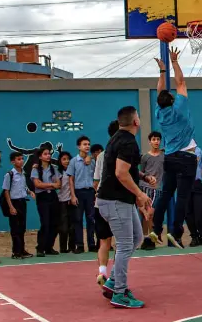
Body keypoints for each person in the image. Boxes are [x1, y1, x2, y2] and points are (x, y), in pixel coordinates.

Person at [97, 106, 154, 309]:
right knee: (123, 244)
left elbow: (126, 171)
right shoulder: (127, 142)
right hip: (114, 201)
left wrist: (138, 197)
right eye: (138, 115)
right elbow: (121, 173)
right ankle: (119, 292)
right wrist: (140, 194)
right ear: (135, 122)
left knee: (136, 238)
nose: (139, 118)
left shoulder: (118, 139)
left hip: (121, 200)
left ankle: (113, 281)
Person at [150, 47, 198, 250]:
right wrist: (174, 61)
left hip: (169, 156)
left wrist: (162, 71)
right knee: (183, 196)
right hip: (186, 157)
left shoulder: (159, 113)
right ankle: (175, 233)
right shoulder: (179, 108)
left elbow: (161, 90)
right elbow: (181, 82)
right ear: (172, 100)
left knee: (166, 193)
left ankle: (155, 228)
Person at [93, 120, 118, 286]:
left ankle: (102, 271)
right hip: (117, 203)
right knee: (124, 242)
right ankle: (117, 277)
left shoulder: (101, 155)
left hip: (100, 202)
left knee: (104, 241)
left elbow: (96, 181)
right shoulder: (123, 152)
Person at [3, 152, 35, 259]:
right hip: (14, 203)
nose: (21, 161)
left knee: (22, 228)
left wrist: (30, 192)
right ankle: (15, 252)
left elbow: (23, 186)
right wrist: (11, 207)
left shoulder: (23, 173)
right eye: (18, 159)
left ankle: (22, 250)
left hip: (22, 203)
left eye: (22, 159)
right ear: (13, 162)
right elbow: (6, 191)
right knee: (15, 229)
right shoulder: (9, 175)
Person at [67, 136, 96, 253]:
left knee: (91, 219)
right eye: (84, 144)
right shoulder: (73, 161)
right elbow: (71, 180)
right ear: (79, 147)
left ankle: (91, 244)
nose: (87, 146)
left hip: (90, 192)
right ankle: (79, 245)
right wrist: (73, 195)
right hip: (78, 192)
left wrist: (95, 193)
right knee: (78, 219)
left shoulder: (92, 161)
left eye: (88, 144)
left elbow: (96, 178)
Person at [31, 147, 62, 257]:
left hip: (53, 197)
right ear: (40, 156)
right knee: (45, 223)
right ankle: (40, 248)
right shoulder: (36, 169)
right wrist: (51, 184)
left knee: (55, 223)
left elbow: (58, 184)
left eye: (49, 154)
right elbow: (37, 184)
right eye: (45, 154)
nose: (48, 156)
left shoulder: (54, 168)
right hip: (42, 197)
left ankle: (49, 247)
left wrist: (48, 184)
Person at [139, 131, 164, 240]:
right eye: (154, 139)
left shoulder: (164, 156)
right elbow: (142, 172)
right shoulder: (145, 157)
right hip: (144, 188)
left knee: (150, 213)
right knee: (145, 215)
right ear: (150, 141)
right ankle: (146, 238)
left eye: (158, 139)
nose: (156, 141)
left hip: (157, 189)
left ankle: (152, 237)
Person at [57, 151, 75, 253]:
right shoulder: (57, 172)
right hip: (61, 201)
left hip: (72, 200)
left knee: (73, 226)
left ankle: (72, 247)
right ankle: (63, 248)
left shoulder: (74, 171)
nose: (66, 161)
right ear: (60, 161)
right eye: (64, 159)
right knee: (63, 227)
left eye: (68, 159)